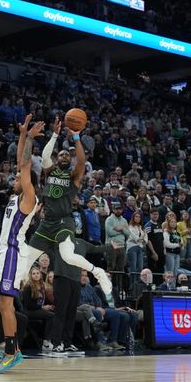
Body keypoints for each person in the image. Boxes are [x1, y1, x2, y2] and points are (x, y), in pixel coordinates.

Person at [26, 117, 111, 295]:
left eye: (67, 155)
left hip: (64, 221)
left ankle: (98, 272)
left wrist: (77, 137)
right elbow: (44, 156)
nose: (65, 156)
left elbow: (81, 160)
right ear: (58, 159)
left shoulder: (74, 177)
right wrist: (55, 134)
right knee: (26, 261)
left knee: (67, 256)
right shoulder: (49, 172)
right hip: (46, 223)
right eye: (62, 154)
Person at [0, 115, 43, 373]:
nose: (13, 177)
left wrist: (30, 138)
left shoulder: (29, 197)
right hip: (6, 252)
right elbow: (20, 162)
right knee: (2, 302)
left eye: (18, 177)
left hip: (14, 251)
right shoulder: (17, 195)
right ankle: (14, 350)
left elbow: (24, 163)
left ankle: (11, 351)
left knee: (6, 302)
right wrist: (23, 134)